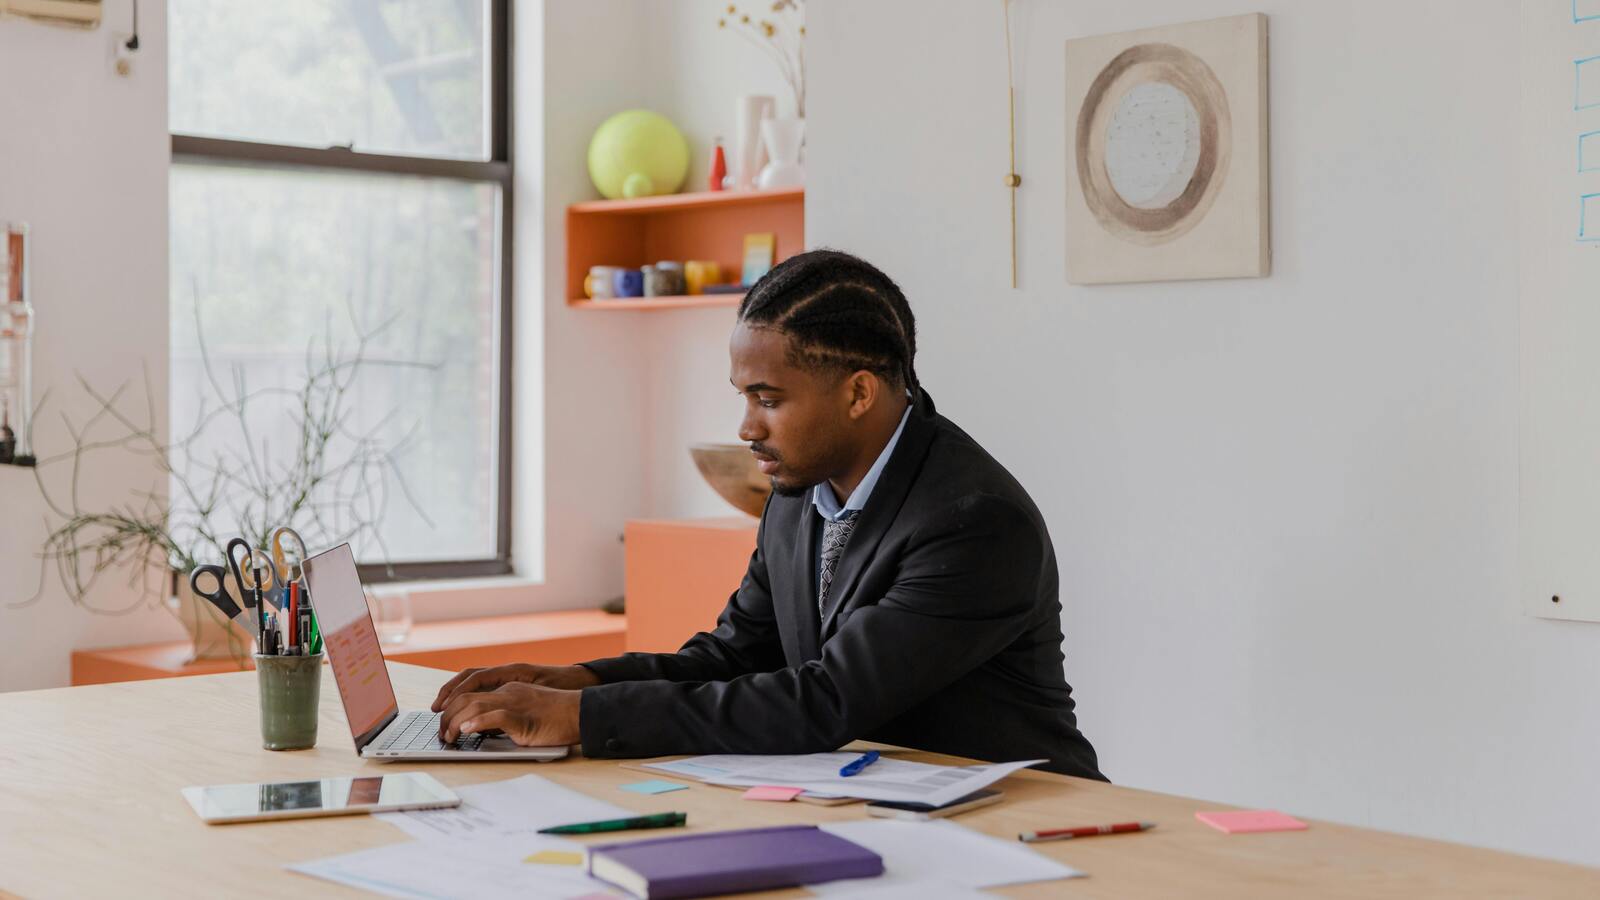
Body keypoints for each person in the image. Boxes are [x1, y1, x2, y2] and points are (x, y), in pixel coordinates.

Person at [433, 249, 1104, 780]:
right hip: (881, 810)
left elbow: (825, 701)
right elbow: (733, 655)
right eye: (744, 396)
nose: (747, 426)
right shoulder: (797, 495)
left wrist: (581, 715)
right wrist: (575, 680)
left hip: (1029, 824)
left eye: (768, 398)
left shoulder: (975, 521)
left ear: (858, 393)